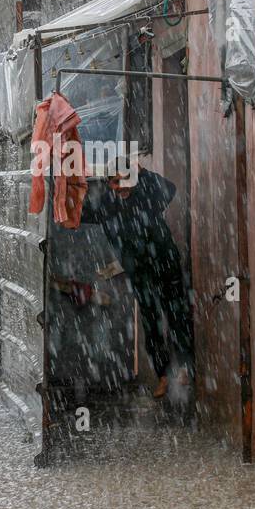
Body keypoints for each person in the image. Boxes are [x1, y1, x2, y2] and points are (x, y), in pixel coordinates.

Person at [81, 162, 194, 399]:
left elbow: (169, 188)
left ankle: (184, 366)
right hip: (140, 273)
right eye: (115, 181)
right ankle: (163, 375)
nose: (121, 186)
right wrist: (66, 184)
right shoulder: (107, 205)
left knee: (177, 317)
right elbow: (78, 214)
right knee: (151, 322)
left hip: (165, 264)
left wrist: (144, 173)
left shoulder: (148, 193)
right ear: (109, 184)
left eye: (126, 180)